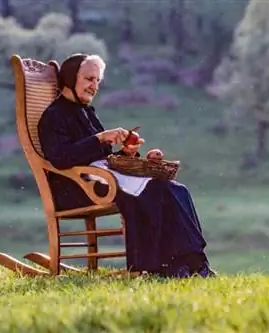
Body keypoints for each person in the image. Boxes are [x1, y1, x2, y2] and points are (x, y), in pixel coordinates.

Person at [37, 53, 216, 278]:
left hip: (100, 178)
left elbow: (101, 156)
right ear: (71, 78)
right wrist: (100, 138)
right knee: (155, 191)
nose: (94, 86)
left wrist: (127, 153)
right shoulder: (53, 116)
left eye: (97, 81)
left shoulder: (86, 112)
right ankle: (160, 267)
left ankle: (192, 262)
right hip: (75, 187)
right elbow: (60, 158)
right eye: (89, 79)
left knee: (174, 189)